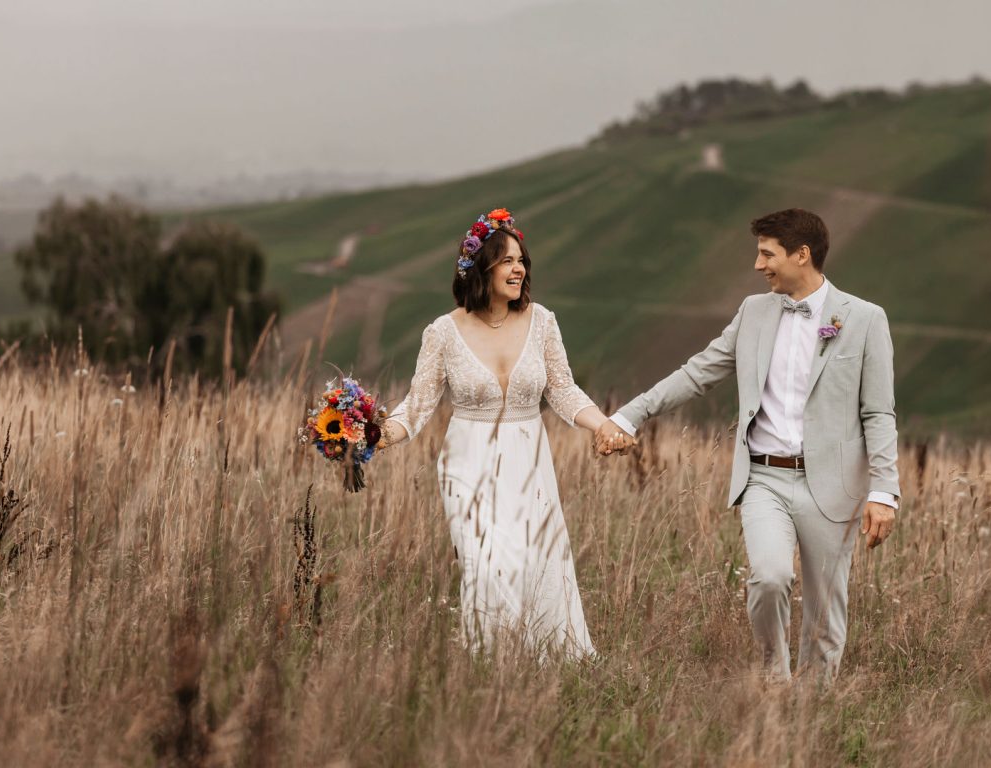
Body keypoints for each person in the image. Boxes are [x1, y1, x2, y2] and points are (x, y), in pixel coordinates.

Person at [597, 208, 900, 681]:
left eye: (767, 253)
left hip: (835, 484)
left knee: (825, 611)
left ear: (802, 255)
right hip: (764, 477)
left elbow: (878, 413)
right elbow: (698, 373)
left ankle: (811, 714)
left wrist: (884, 491)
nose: (758, 264)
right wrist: (629, 415)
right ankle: (772, 685)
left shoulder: (864, 319)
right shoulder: (753, 312)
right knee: (769, 577)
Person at [379, 208, 627, 658]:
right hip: (468, 463)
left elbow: (564, 390)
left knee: (536, 562)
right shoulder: (443, 333)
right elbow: (415, 407)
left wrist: (604, 424)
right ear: (481, 267)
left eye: (522, 261)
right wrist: (376, 434)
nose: (518, 269)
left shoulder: (542, 322)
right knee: (487, 565)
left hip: (528, 460)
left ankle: (547, 662)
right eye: (507, 261)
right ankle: (492, 665)